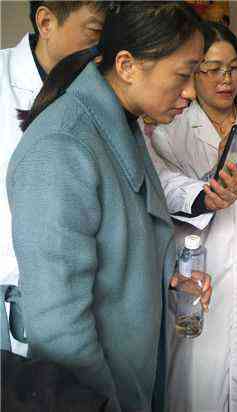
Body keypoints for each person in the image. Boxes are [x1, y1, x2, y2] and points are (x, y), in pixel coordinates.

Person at [7, 3, 212, 411]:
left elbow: (121, 242)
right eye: (183, 74)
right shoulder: (63, 146)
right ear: (127, 65)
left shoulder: (120, 125)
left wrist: (165, 279)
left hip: (131, 377)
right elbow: (59, 324)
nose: (191, 92)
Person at [146, 22, 237, 412]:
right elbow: (167, 192)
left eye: (233, 67)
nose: (226, 79)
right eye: (212, 69)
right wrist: (214, 177)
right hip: (197, 265)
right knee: (196, 380)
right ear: (193, 70)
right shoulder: (168, 128)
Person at [0, 0, 107, 357]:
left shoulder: (103, 90)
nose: (105, 45)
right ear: (46, 22)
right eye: (95, 31)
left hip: (87, 298)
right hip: (12, 296)